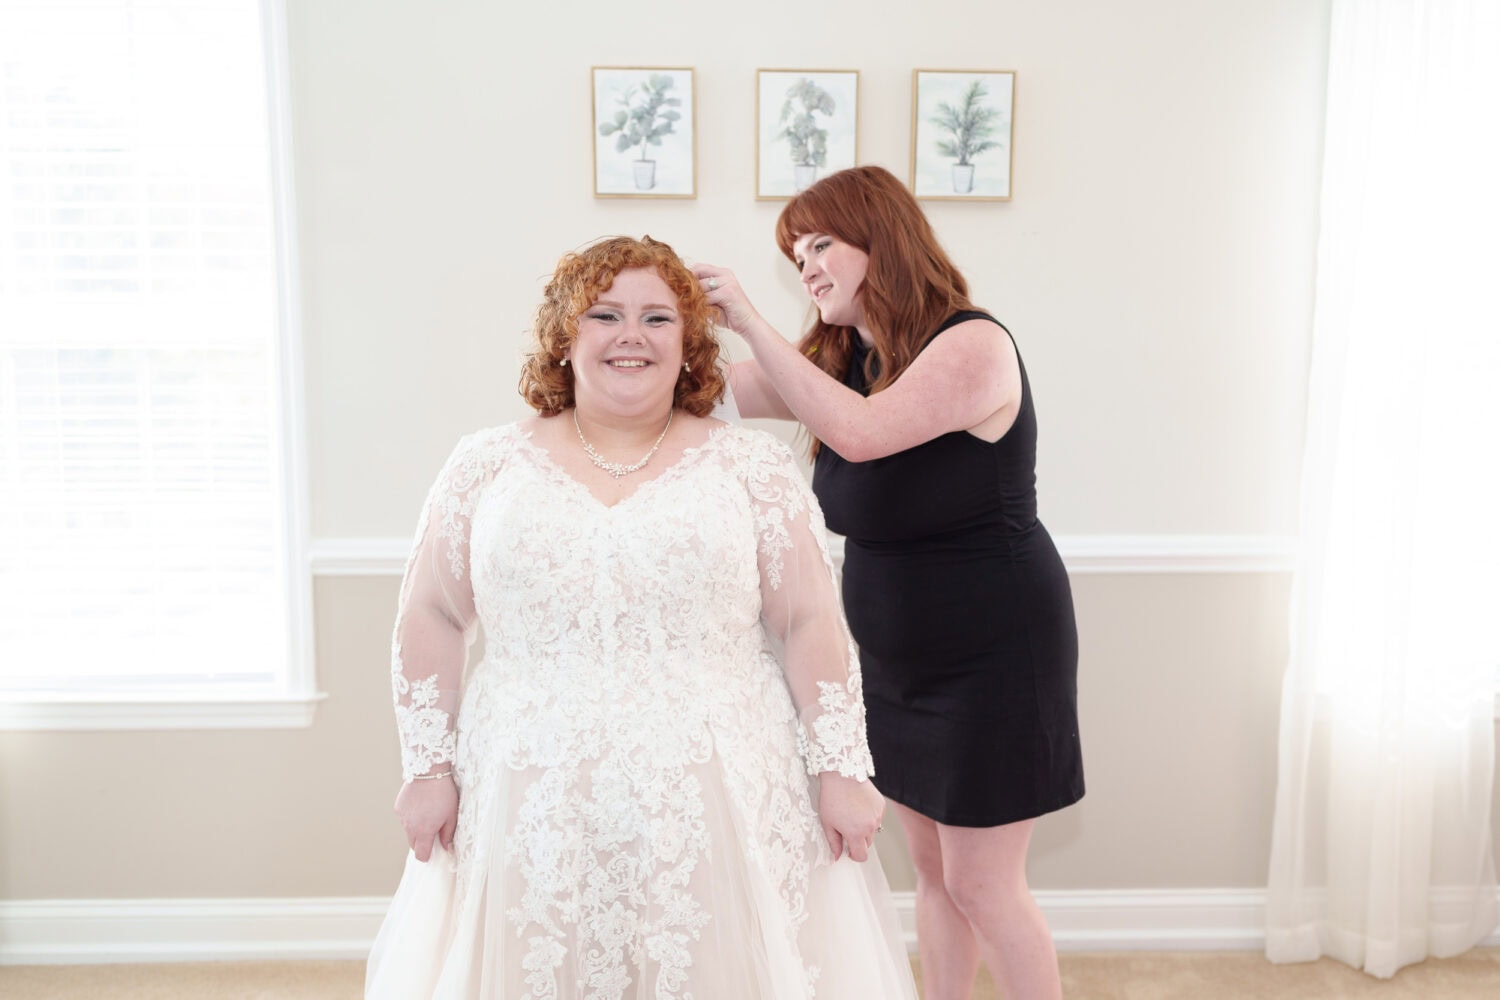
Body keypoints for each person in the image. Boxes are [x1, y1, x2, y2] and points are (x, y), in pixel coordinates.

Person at [364, 235, 918, 999]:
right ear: (565, 337)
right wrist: (426, 769)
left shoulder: (750, 468)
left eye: (658, 318)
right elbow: (430, 611)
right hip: (527, 797)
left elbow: (810, 624)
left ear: (689, 347)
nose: (632, 335)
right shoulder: (484, 466)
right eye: (605, 314)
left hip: (717, 794)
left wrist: (841, 768)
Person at [693, 165, 1083, 1000]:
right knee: (937, 876)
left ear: (883, 236)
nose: (806, 267)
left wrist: (751, 321)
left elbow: (862, 434)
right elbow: (709, 396)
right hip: (900, 667)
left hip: (996, 655)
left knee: (985, 884)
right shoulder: (849, 357)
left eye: (820, 244)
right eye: (795, 255)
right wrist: (641, 333)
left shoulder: (972, 345)